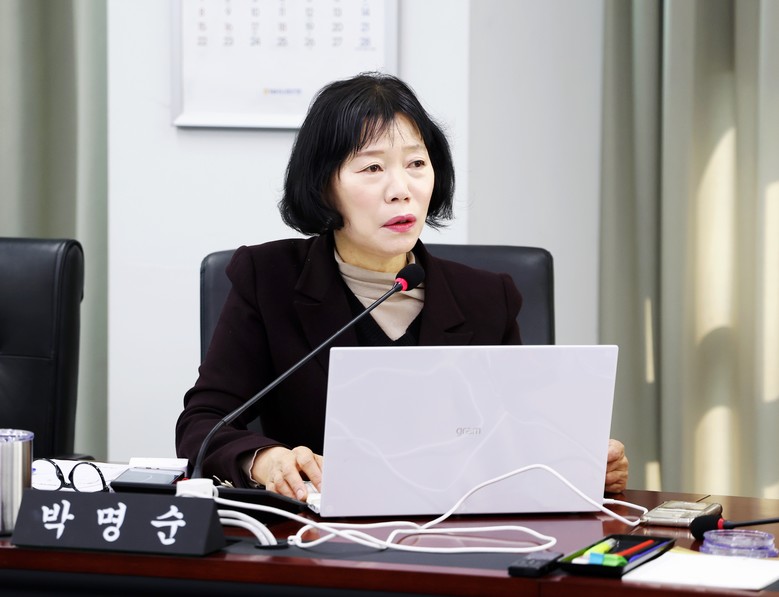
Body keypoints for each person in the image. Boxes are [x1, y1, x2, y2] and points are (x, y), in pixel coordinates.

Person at [176, 72, 629, 501]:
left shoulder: (488, 297)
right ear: (324, 185)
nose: (401, 189)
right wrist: (265, 461)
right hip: (313, 535)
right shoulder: (268, 279)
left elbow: (519, 439)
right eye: (372, 168)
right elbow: (202, 424)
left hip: (454, 534)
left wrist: (579, 461)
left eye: (416, 163)